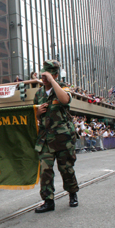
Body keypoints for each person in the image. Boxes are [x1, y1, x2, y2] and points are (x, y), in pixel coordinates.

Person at [33, 60, 79, 213]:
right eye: (43, 73)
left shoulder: (62, 88)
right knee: (45, 170)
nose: (44, 76)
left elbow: (65, 100)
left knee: (66, 168)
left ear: (56, 74)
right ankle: (48, 201)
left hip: (63, 138)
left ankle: (72, 194)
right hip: (45, 138)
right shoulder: (39, 93)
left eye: (49, 73)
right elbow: (36, 116)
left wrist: (53, 82)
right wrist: (37, 113)